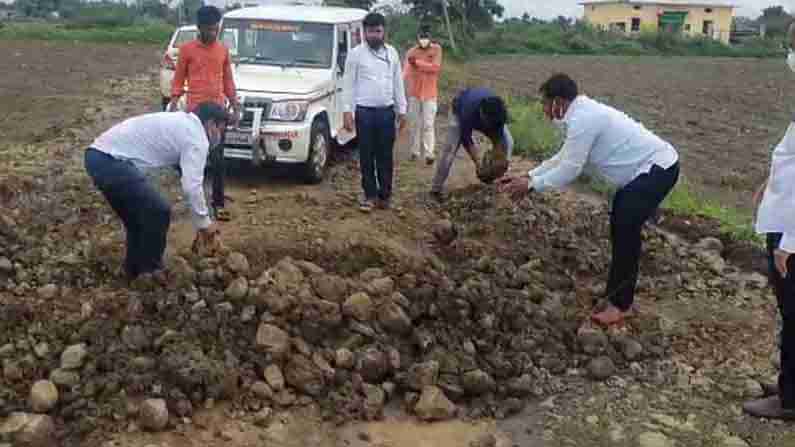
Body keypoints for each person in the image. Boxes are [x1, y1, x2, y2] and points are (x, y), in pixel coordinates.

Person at [497, 73, 679, 326]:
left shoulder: (584, 119)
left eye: (545, 103)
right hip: (646, 171)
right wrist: (529, 175)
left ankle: (620, 304)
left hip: (658, 167)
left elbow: (571, 169)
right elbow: (564, 156)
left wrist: (531, 186)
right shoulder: (580, 114)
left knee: (625, 224)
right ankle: (617, 292)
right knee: (622, 218)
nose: (544, 110)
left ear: (559, 102)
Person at [84, 103, 227, 281]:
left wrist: (202, 217)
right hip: (111, 160)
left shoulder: (181, 122)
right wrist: (204, 224)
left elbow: (190, 178)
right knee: (158, 212)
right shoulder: (197, 137)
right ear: (211, 124)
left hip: (96, 155)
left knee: (138, 221)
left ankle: (133, 273)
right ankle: (151, 274)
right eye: (220, 129)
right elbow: (191, 186)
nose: (219, 136)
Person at [743, 67, 795, 419]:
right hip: (784, 216)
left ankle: (790, 399)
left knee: (794, 315)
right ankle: (788, 383)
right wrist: (769, 180)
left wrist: (791, 241)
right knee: (789, 312)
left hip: (791, 229)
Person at [169, 5, 240, 222]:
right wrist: (174, 99)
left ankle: (218, 204)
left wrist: (235, 104)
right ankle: (195, 202)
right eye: (209, 29)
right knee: (193, 159)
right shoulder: (187, 50)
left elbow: (228, 79)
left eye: (216, 29)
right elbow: (179, 77)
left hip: (217, 111)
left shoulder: (223, 50)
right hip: (195, 112)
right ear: (199, 28)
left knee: (218, 159)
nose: (213, 33)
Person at [342, 12, 407, 212]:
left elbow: (397, 82)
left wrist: (402, 109)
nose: (374, 36)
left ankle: (385, 196)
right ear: (364, 32)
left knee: (385, 155)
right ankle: (369, 196)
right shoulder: (356, 54)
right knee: (367, 155)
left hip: (386, 112)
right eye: (370, 32)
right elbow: (348, 85)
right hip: (364, 113)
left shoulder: (392, 53)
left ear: (384, 31)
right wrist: (347, 112)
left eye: (378, 31)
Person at [429, 87, 513, 201]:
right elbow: (466, 139)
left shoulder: (498, 114)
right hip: (458, 112)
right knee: (449, 152)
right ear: (482, 115)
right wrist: (478, 163)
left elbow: (499, 139)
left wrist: (498, 162)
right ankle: (436, 189)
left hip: (488, 116)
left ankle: (497, 179)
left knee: (509, 142)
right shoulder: (468, 111)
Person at [403, 25, 443, 166]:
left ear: (430, 37)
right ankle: (414, 152)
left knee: (428, 124)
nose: (423, 39)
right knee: (414, 123)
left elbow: (435, 68)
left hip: (430, 94)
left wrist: (418, 63)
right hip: (414, 93)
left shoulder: (436, 49)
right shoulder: (411, 52)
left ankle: (429, 153)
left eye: (426, 36)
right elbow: (406, 72)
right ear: (417, 37)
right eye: (421, 37)